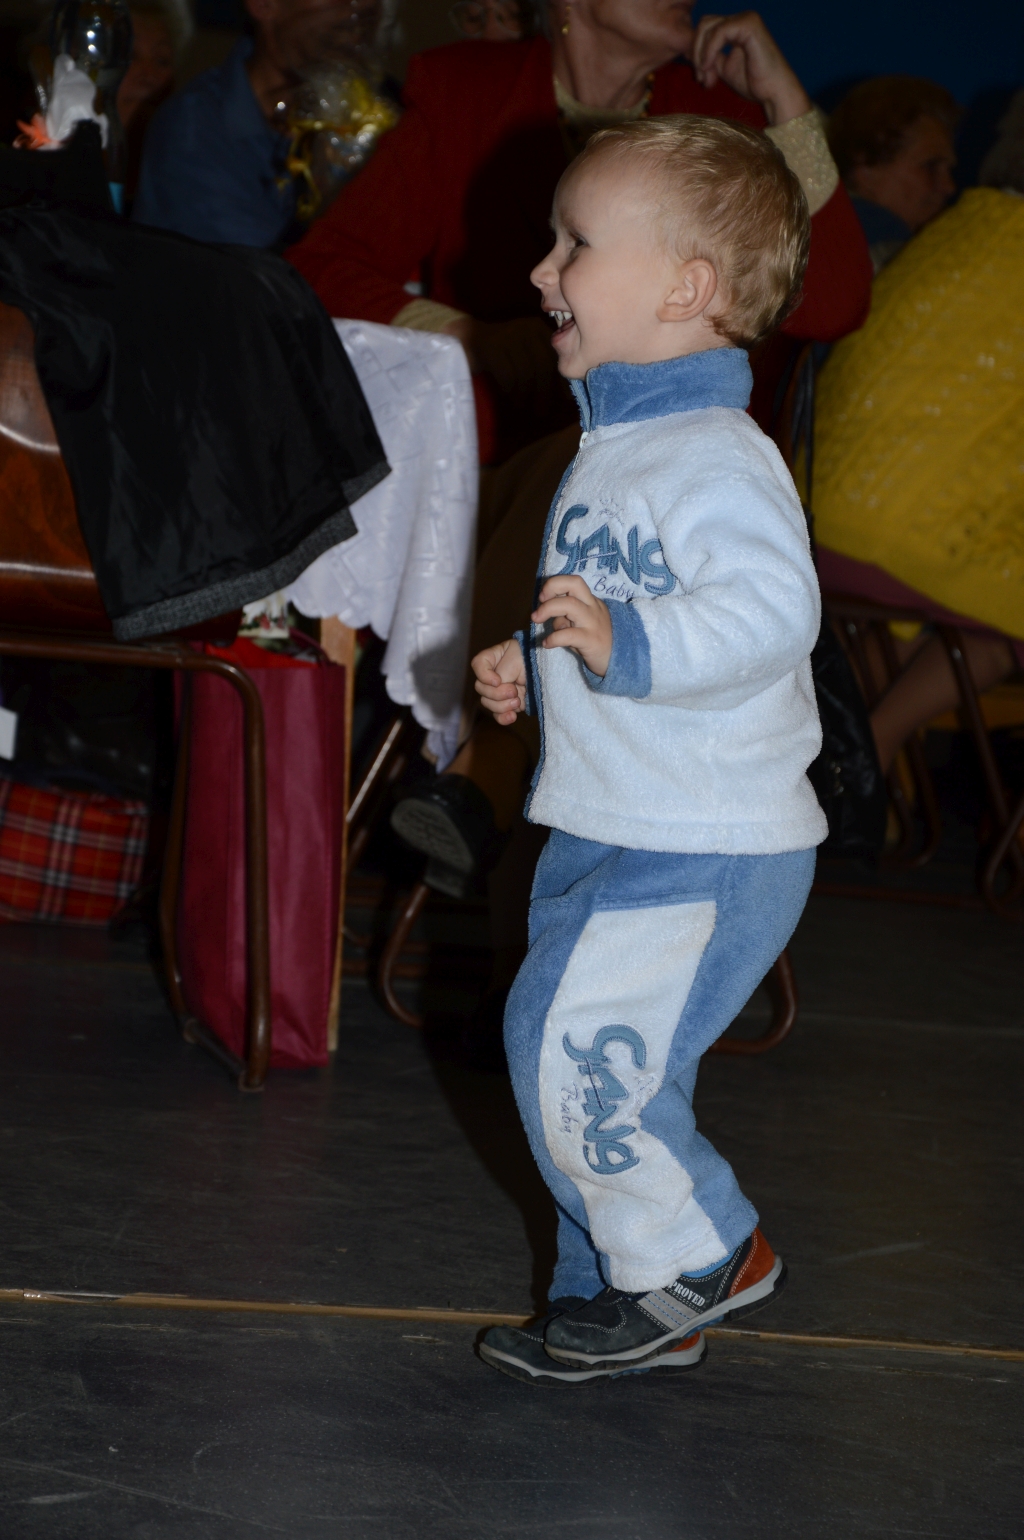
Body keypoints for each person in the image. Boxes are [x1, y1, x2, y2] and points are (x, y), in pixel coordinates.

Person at [471, 115, 824, 1383]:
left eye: (575, 244)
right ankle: (624, 1296)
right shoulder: (620, 445)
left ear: (686, 288)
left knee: (572, 1052)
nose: (541, 271)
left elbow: (770, 612)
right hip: (623, 817)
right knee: (575, 1059)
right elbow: (624, 598)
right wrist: (544, 658)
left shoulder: (718, 454)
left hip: (704, 835)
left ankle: (703, 1249)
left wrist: (624, 642)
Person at [812, 156, 1024, 777]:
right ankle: (873, 750)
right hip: (899, 541)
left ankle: (838, 760)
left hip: (809, 512)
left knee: (907, 622)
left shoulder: (962, 227)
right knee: (998, 623)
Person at [133, 0, 392, 245]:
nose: (364, 4)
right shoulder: (195, 129)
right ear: (263, 4)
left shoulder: (379, 121)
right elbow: (253, 269)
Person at [827, 75, 959, 272]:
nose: (949, 186)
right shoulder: (878, 231)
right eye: (930, 166)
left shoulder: (823, 227)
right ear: (866, 171)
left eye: (949, 170)